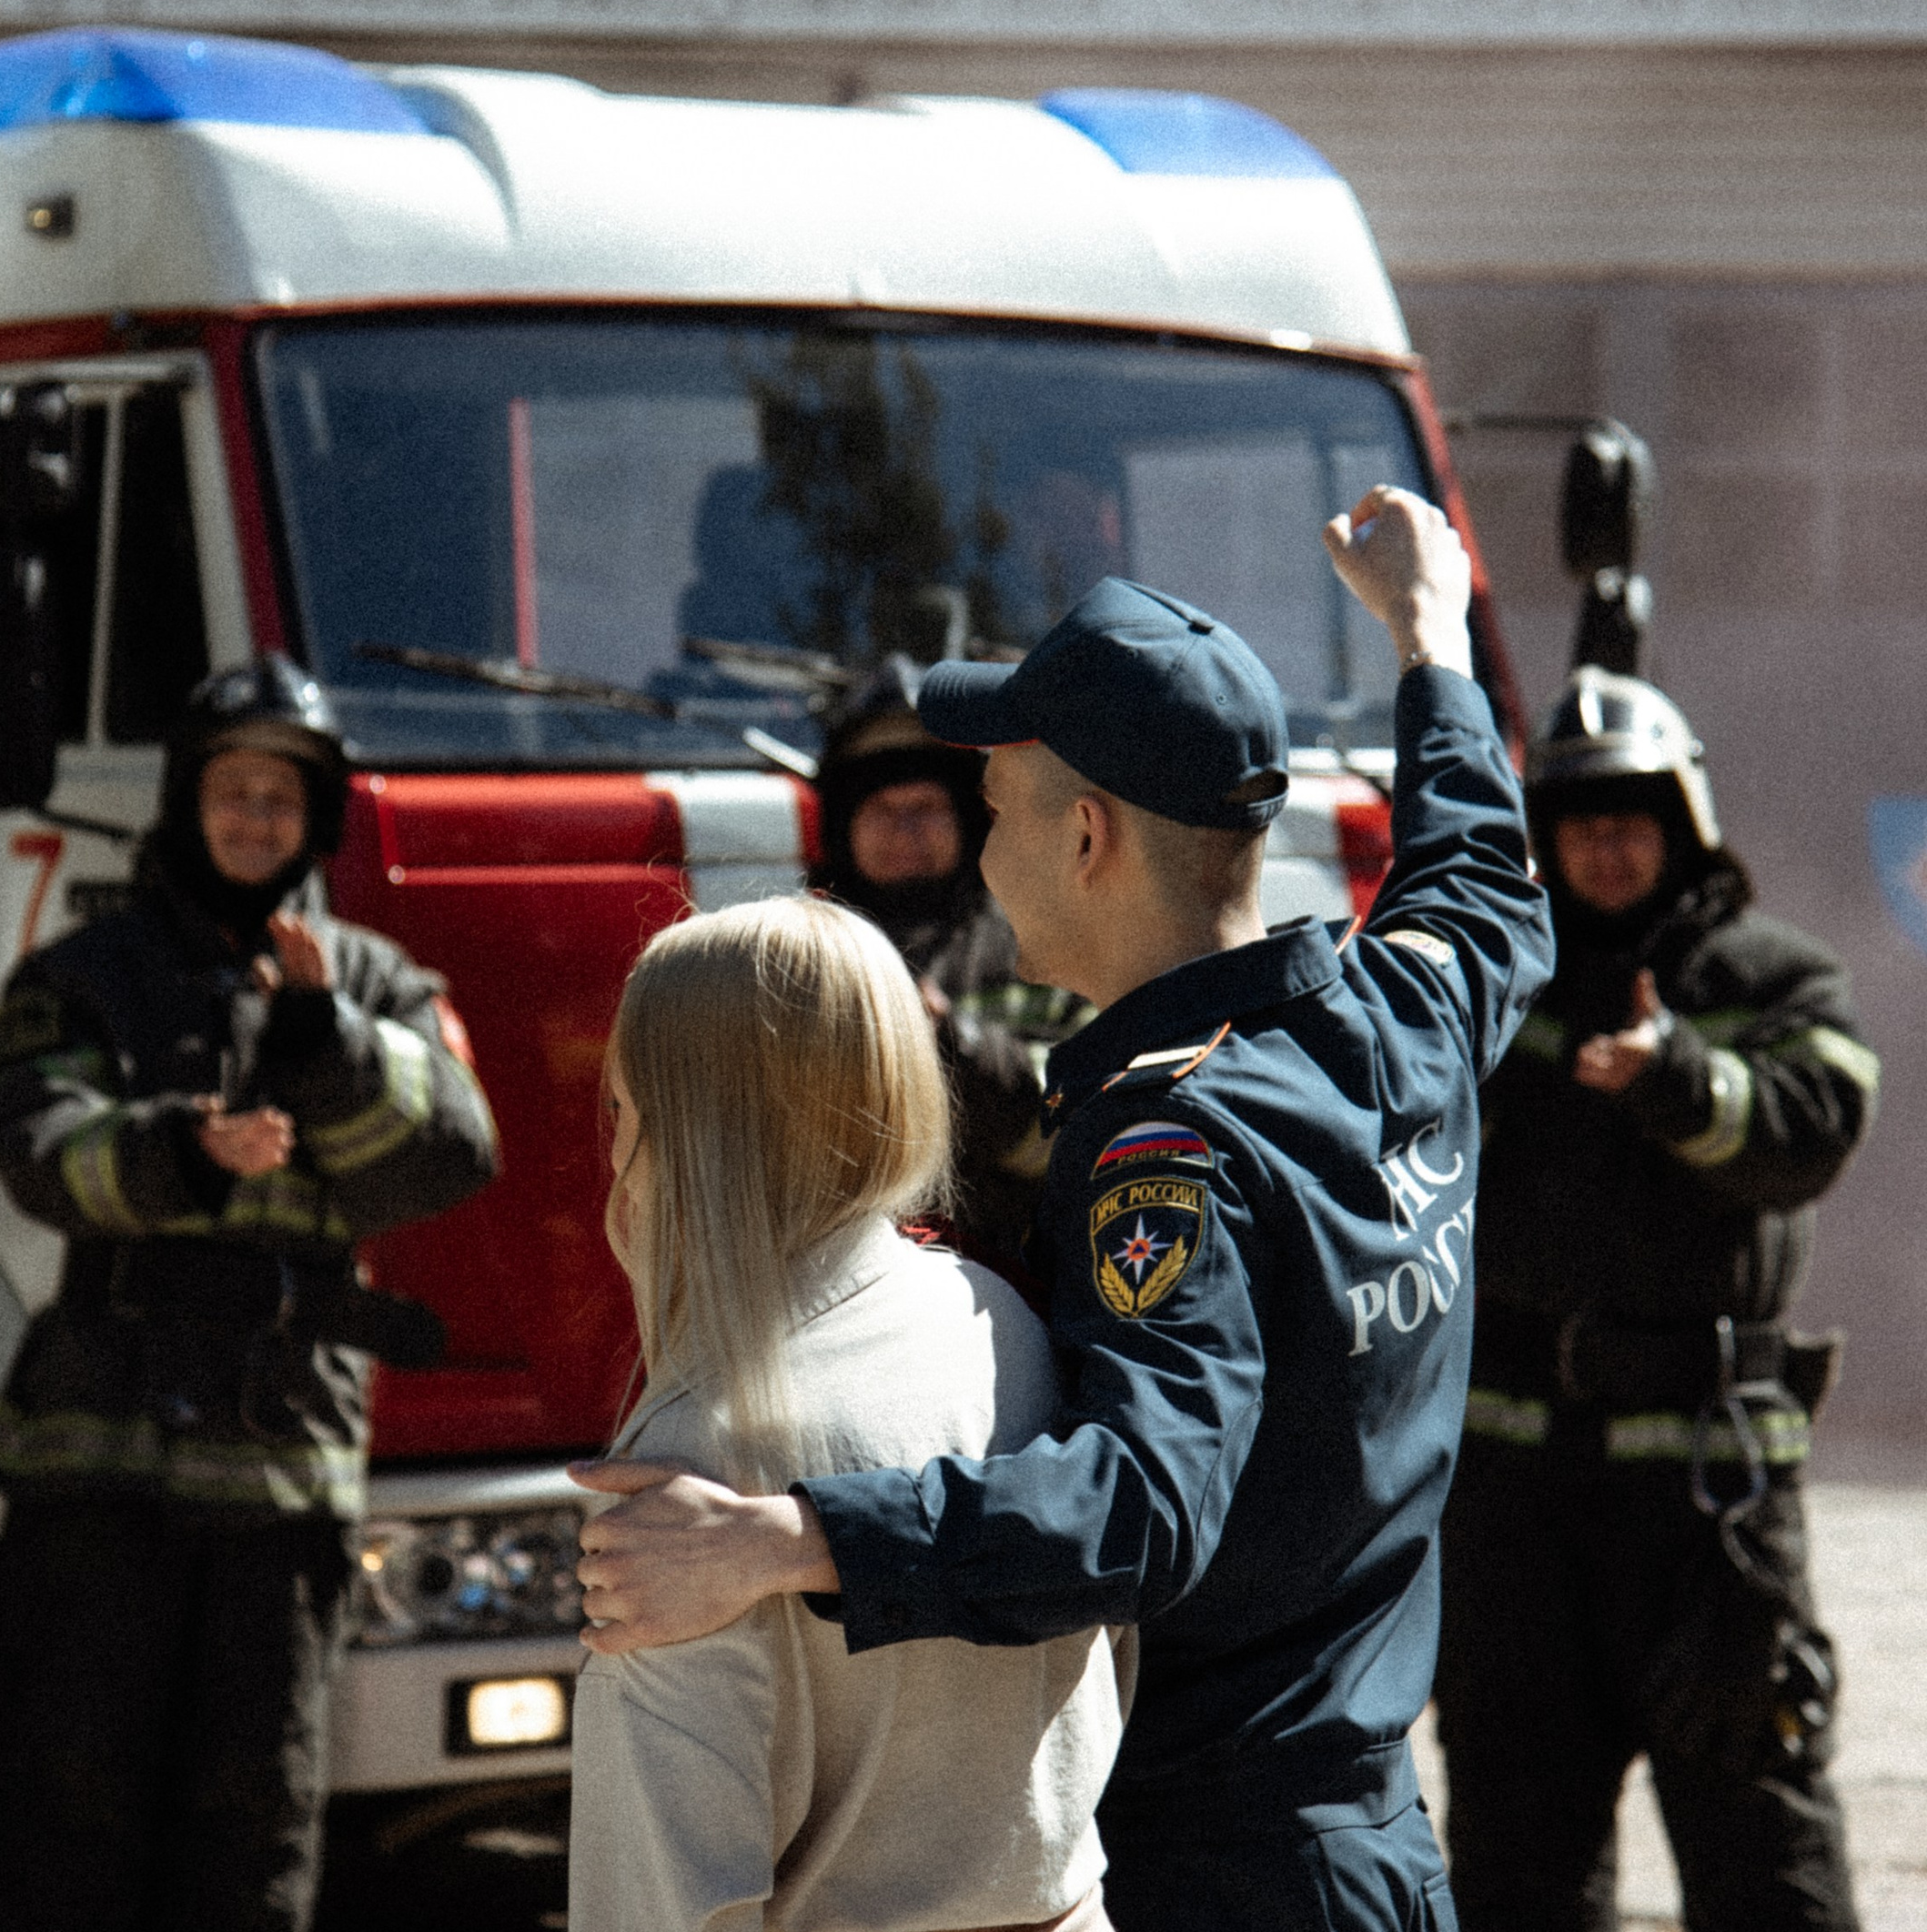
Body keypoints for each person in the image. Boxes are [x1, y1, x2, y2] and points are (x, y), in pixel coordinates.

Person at [573, 488, 1555, 1932]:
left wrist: (788, 1541)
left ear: (1087, 835)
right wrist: (1432, 637)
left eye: (996, 811)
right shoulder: (1401, 1015)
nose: (978, 853)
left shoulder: (1171, 1149)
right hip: (1380, 1848)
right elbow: (1483, 885)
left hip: (1223, 1877)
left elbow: (1144, 1507)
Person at [0, 653, 499, 1932]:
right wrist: (178, 1151)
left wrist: (332, 1052)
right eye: (232, 790)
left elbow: (455, 1152)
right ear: (185, 801)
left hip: (284, 1471)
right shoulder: (84, 972)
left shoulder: (377, 983)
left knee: (256, 1822)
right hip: (102, 1455)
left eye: (282, 797)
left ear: (316, 819)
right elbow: (34, 1149)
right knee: (69, 1801)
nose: (255, 819)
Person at [569, 895, 1125, 1932]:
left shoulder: (692, 1467)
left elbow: (667, 1894)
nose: (612, 1145)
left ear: (677, 1126)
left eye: (623, 1105)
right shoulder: (1002, 1321)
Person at [1430, 668, 1879, 1932]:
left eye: (1633, 818)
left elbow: (1814, 1127)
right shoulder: (1501, 990)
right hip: (1516, 1512)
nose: (1607, 845)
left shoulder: (1773, 975)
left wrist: (1679, 1078)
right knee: (1517, 1868)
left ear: (1686, 823)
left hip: (1708, 1516)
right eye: (1579, 823)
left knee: (1764, 1856)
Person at [812, 657, 1091, 1263]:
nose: (905, 828)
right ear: (842, 827)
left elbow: (1083, 1131)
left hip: (1008, 1289)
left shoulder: (1047, 946)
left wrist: (942, 1043)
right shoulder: (798, 959)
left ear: (966, 820)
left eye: (926, 808)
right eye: (883, 809)